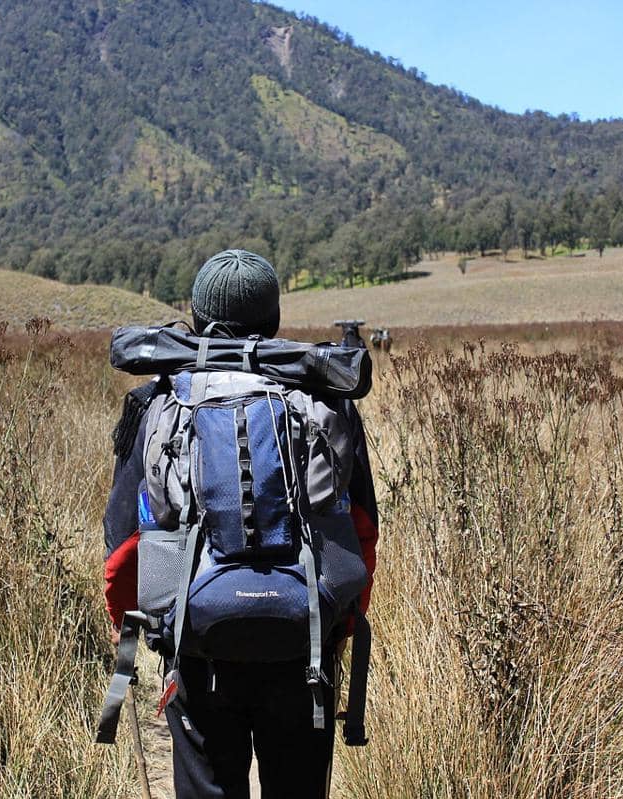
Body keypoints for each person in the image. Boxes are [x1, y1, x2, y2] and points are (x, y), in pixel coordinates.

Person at [102, 249, 379, 798]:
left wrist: (133, 620)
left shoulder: (159, 401)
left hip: (197, 644)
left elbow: (127, 542)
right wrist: (341, 620)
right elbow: (361, 529)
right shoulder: (326, 401)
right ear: (273, 319)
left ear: (197, 316)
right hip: (306, 645)